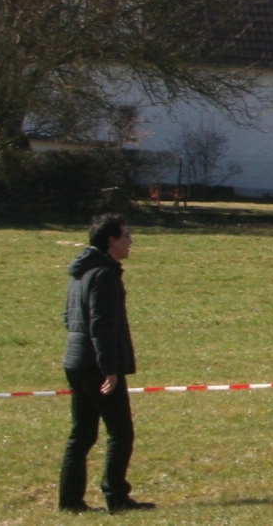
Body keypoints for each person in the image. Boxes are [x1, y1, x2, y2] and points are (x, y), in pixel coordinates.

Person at [58, 214, 152, 513]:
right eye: (126, 235)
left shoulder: (80, 271)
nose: (130, 241)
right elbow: (101, 324)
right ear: (111, 240)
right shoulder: (105, 274)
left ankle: (70, 501)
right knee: (121, 432)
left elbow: (69, 317)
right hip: (97, 365)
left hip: (75, 359)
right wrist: (109, 369)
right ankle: (117, 497)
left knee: (82, 434)